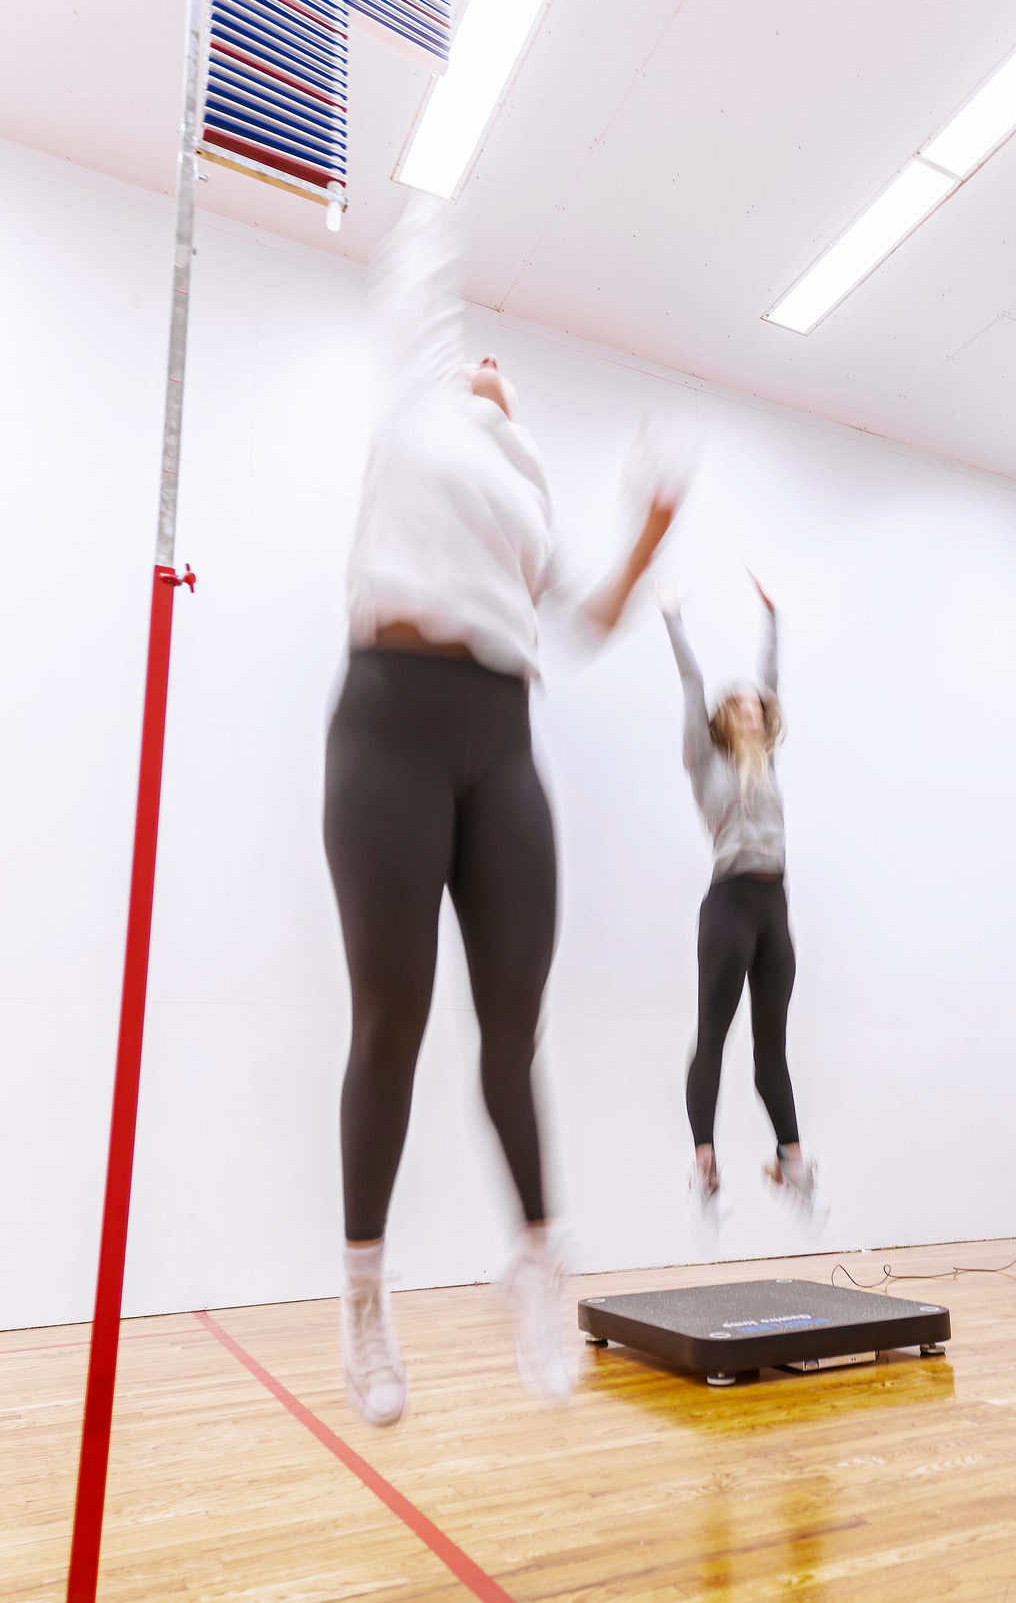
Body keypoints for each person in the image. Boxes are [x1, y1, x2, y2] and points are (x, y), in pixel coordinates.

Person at [327, 191, 679, 1427]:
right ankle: (364, 1296)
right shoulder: (415, 400)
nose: (487, 363)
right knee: (393, 1019)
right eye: (474, 354)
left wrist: (647, 532)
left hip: (500, 738)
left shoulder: (526, 493)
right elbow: (415, 289)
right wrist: (438, 195)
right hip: (388, 728)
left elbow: (585, 618)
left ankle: (538, 1257)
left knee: (511, 1028)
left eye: (502, 369)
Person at [664, 578, 814, 1236]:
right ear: (725, 718)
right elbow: (693, 684)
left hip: (773, 909)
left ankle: (794, 1163)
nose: (753, 710)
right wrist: (673, 617)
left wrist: (774, 617)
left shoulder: (768, 764)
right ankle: (705, 1162)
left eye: (759, 706)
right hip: (727, 908)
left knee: (771, 1050)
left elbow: (772, 678)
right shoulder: (705, 760)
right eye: (742, 706)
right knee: (712, 1037)